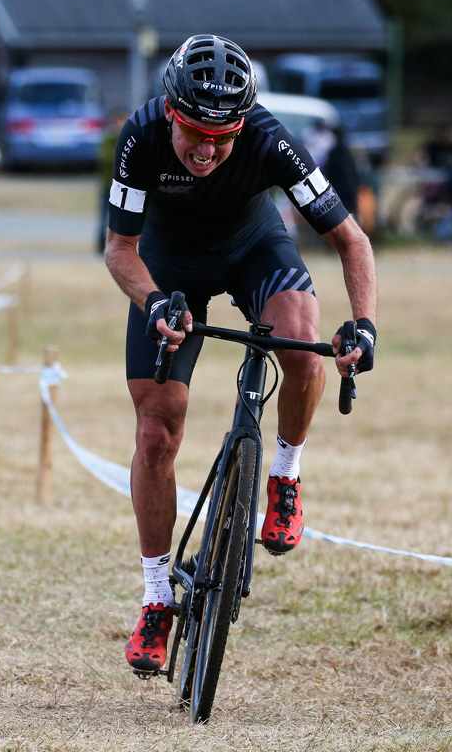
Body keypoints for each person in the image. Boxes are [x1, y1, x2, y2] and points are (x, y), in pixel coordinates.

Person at [104, 35, 377, 675]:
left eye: (222, 138)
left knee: (303, 348)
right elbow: (120, 249)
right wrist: (152, 304)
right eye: (195, 134)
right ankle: (155, 597)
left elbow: (351, 240)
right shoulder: (141, 137)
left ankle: (284, 472)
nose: (207, 150)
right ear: (172, 112)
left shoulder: (269, 139)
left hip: (254, 247)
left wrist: (363, 326)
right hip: (168, 270)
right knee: (155, 433)